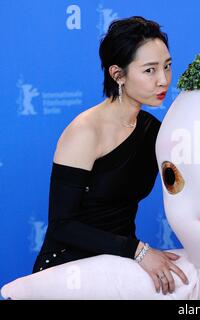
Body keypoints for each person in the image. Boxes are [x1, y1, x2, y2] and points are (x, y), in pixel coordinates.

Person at [32, 16, 188, 295]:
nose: (163, 80)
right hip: (68, 269)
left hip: (119, 265)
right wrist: (138, 251)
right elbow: (62, 226)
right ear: (118, 74)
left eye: (167, 66)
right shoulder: (85, 131)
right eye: (150, 70)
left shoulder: (153, 130)